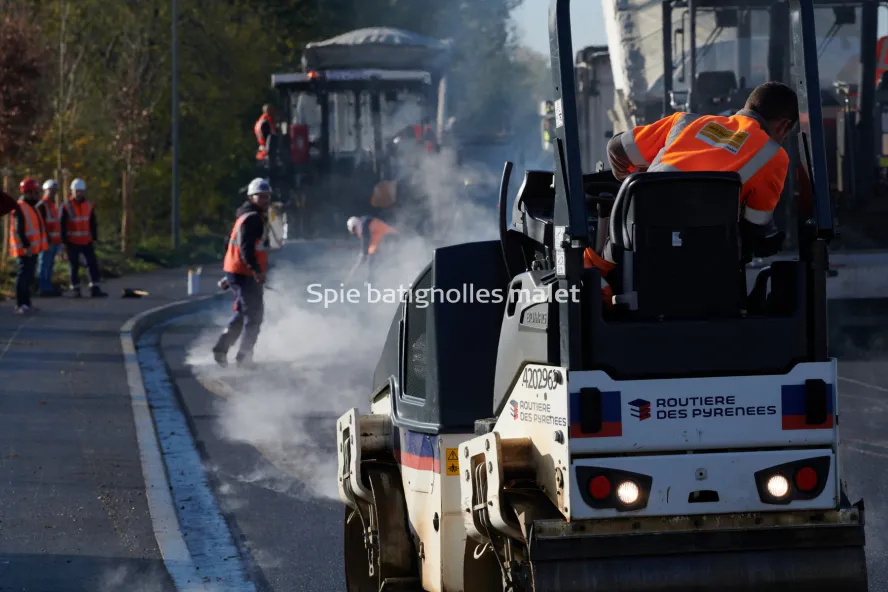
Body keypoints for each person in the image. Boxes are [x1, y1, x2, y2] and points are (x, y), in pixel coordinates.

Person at [587, 81, 799, 304]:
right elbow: (756, 229)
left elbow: (616, 149)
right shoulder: (773, 155)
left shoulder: (686, 121)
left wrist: (634, 182)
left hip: (638, 254)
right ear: (784, 126)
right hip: (710, 278)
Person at [212, 178, 272, 368]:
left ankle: (221, 349)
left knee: (243, 313)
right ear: (251, 197)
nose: (264, 199)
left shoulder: (247, 215)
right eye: (260, 196)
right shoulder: (252, 218)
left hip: (239, 272)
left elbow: (234, 247)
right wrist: (256, 271)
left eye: (266, 196)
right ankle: (244, 358)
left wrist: (229, 276)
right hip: (245, 273)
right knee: (254, 315)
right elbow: (245, 249)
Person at [60, 178, 108, 298]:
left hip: (87, 241)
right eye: (77, 191)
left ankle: (95, 288)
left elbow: (93, 223)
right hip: (72, 242)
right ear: (72, 191)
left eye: (81, 191)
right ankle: (76, 289)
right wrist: (63, 242)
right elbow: (62, 225)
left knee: (92, 264)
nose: (79, 193)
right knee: (74, 266)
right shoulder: (66, 206)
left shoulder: (89, 205)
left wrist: (95, 238)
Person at [8, 178, 48, 314]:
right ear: (29, 193)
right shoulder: (20, 207)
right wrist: (26, 246)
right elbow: (20, 230)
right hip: (25, 250)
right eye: (36, 192)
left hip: (33, 249)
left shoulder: (32, 207)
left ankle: (27, 303)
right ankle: (21, 304)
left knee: (29, 277)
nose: (38, 195)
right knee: (23, 276)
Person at [344, 215, 398, 285]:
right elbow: (368, 242)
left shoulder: (363, 225)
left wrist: (363, 254)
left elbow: (365, 240)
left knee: (372, 256)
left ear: (355, 226)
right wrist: (364, 254)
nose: (355, 232)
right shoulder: (365, 223)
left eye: (354, 230)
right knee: (375, 255)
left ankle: (371, 280)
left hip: (388, 237)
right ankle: (376, 278)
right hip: (389, 236)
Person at [35, 179, 63, 296]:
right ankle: (43, 288)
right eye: (51, 191)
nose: (53, 194)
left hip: (54, 241)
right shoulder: (42, 206)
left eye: (55, 191)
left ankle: (48, 287)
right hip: (46, 242)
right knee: (44, 265)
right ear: (45, 191)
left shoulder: (52, 206)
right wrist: (46, 239)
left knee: (49, 265)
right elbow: (40, 225)